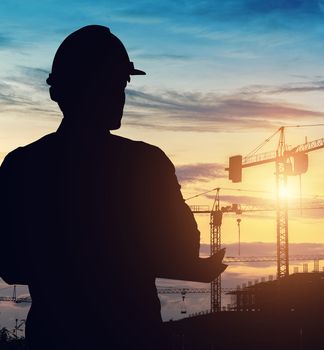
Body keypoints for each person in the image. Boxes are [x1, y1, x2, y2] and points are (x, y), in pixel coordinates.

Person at [0, 25, 227, 349]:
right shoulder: (145, 164)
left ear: (57, 92)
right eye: (114, 86)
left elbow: (10, 264)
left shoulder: (21, 165)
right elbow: (181, 248)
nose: (119, 97)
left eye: (120, 86)